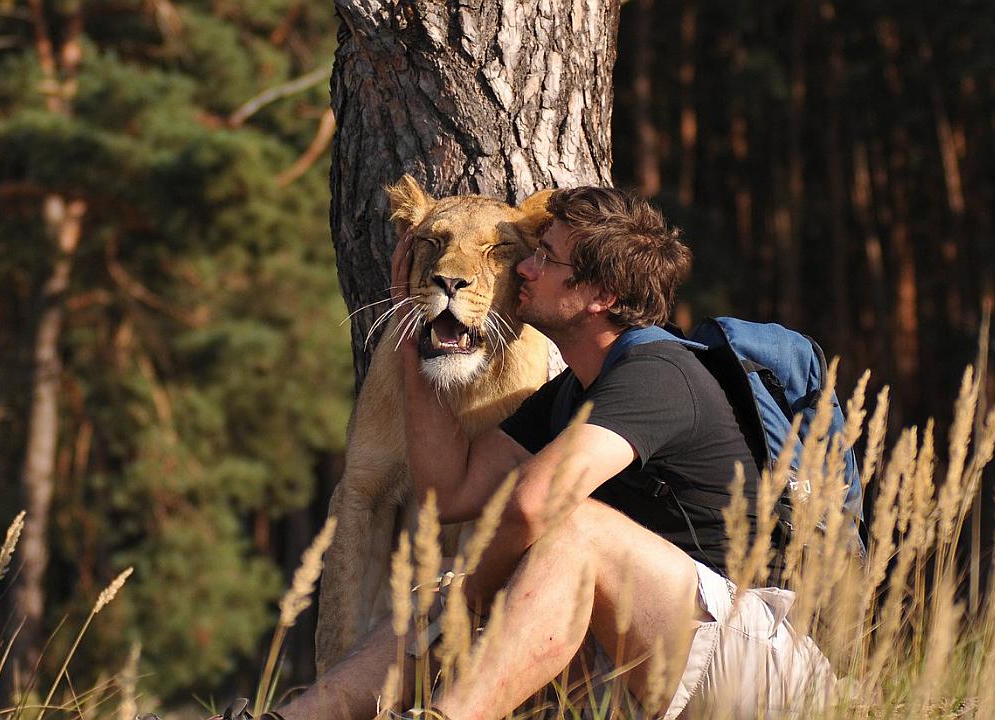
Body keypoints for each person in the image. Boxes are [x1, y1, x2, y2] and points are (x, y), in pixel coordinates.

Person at [276, 187, 834, 720]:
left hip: (753, 662)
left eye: (545, 257)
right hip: (649, 659)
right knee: (439, 585)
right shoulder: (568, 393)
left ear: (602, 296)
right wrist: (412, 329)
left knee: (575, 531)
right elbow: (447, 493)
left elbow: (529, 507)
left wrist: (472, 598)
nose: (523, 268)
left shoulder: (659, 375)